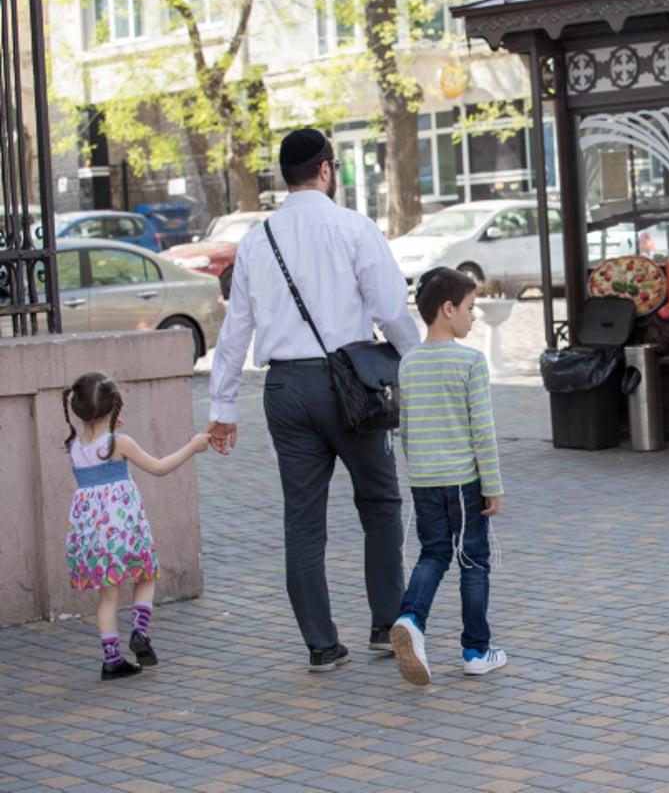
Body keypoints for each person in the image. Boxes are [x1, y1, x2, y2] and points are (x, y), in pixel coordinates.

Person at [206, 128, 422, 672]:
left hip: (284, 389)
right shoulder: (353, 227)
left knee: (302, 519)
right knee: (380, 503)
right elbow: (392, 308)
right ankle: (384, 624)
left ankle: (321, 646)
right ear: (327, 169)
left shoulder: (258, 240)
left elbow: (236, 330)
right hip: (353, 384)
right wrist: (418, 363)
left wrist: (221, 408)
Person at [389, 267, 506, 685]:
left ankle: (410, 619)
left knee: (433, 554)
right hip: (463, 482)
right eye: (471, 308)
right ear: (448, 308)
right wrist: (492, 486)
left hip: (423, 481)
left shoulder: (408, 364)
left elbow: (407, 431)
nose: (473, 317)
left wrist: (417, 471)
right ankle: (476, 649)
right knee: (473, 561)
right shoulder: (470, 362)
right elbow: (483, 431)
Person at [63, 371, 211, 680]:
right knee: (145, 576)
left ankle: (112, 660)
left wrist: (103, 425)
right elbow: (158, 468)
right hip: (122, 527)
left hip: (90, 532)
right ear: (114, 406)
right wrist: (192, 446)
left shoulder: (74, 445)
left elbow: (96, 446)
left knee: (108, 596)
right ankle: (140, 631)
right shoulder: (120, 442)